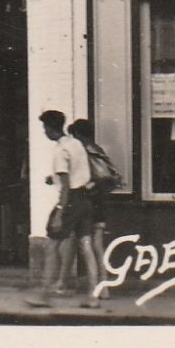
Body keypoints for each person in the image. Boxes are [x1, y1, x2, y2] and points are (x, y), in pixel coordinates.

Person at [27, 109, 101, 308]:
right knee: (86, 246)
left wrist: (60, 212)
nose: (44, 132)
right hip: (86, 200)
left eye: (45, 128)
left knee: (51, 246)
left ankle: (43, 294)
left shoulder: (60, 151)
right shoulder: (75, 143)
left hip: (71, 201)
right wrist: (55, 178)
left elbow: (67, 186)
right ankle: (94, 297)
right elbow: (76, 172)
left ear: (52, 128)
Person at [69, 118, 118, 298]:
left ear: (79, 135)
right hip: (100, 202)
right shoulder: (98, 150)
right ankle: (103, 287)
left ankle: (95, 288)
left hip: (89, 202)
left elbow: (92, 177)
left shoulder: (85, 152)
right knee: (97, 246)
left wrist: (86, 187)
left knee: (87, 245)